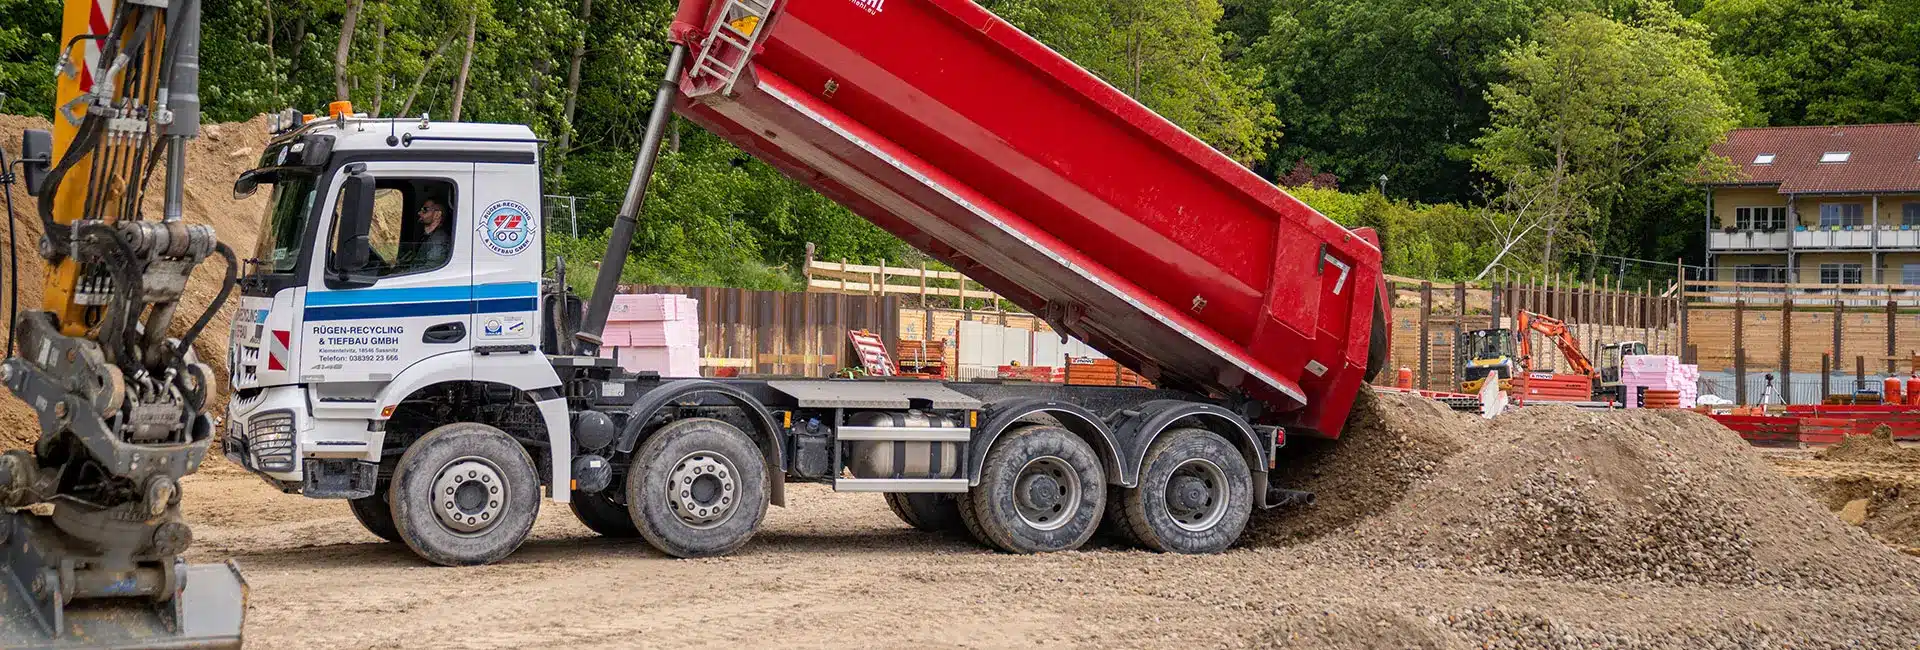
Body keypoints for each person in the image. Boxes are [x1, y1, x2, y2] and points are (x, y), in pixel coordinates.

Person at [399, 197, 452, 271]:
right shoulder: (426, 236)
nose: (419, 213)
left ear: (437, 215)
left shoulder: (438, 240)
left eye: (425, 210)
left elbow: (431, 269)